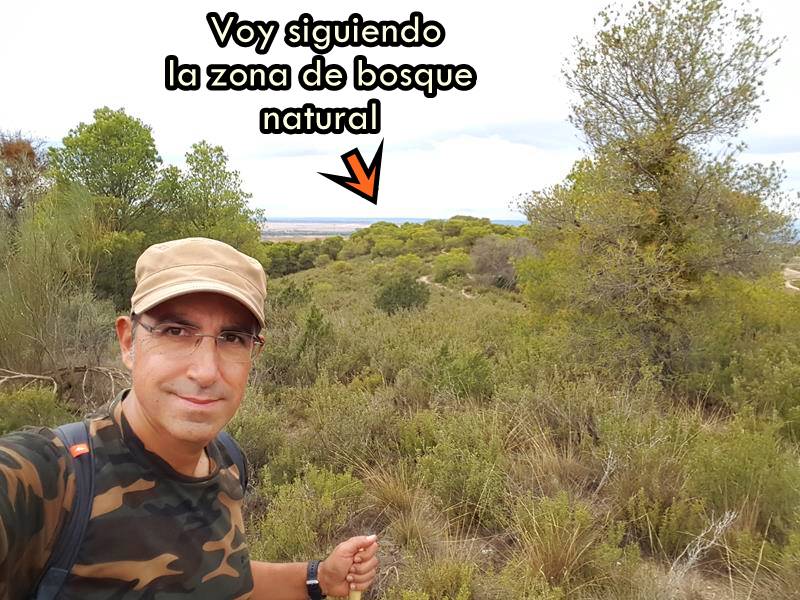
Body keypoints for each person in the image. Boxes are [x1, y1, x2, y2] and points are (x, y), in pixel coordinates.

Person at [0, 237, 379, 599]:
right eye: (176, 331)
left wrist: (319, 577)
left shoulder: (227, 459)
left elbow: (215, 576)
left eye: (232, 338)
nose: (206, 371)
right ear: (129, 343)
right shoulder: (45, 479)